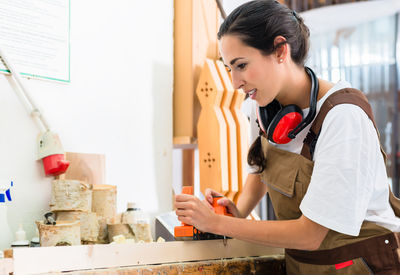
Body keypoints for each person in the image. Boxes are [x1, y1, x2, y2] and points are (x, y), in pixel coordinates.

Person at [175, 0, 400, 273]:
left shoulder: (343, 117)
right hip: (305, 266)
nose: (235, 83)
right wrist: (239, 210)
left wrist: (217, 224)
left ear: (281, 50)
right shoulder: (266, 110)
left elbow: (310, 234)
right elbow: (264, 166)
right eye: (228, 69)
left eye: (242, 65)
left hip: (362, 265)